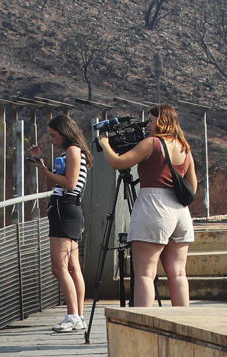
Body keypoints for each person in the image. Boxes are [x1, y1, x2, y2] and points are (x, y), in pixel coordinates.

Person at [97, 105, 199, 308]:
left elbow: (119, 163)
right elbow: (192, 187)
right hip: (180, 212)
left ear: (161, 122)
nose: (148, 126)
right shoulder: (184, 147)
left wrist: (105, 144)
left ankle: (144, 324)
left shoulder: (152, 143)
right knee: (178, 273)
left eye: (151, 121)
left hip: (154, 207)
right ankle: (185, 323)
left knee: (145, 273)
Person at [31, 114, 90, 331]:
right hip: (68, 208)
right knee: (73, 267)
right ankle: (78, 315)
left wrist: (45, 171)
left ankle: (73, 314)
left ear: (65, 133)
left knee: (60, 266)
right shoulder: (75, 152)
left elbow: (69, 182)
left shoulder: (73, 151)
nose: (52, 139)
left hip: (64, 209)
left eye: (54, 135)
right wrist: (42, 165)